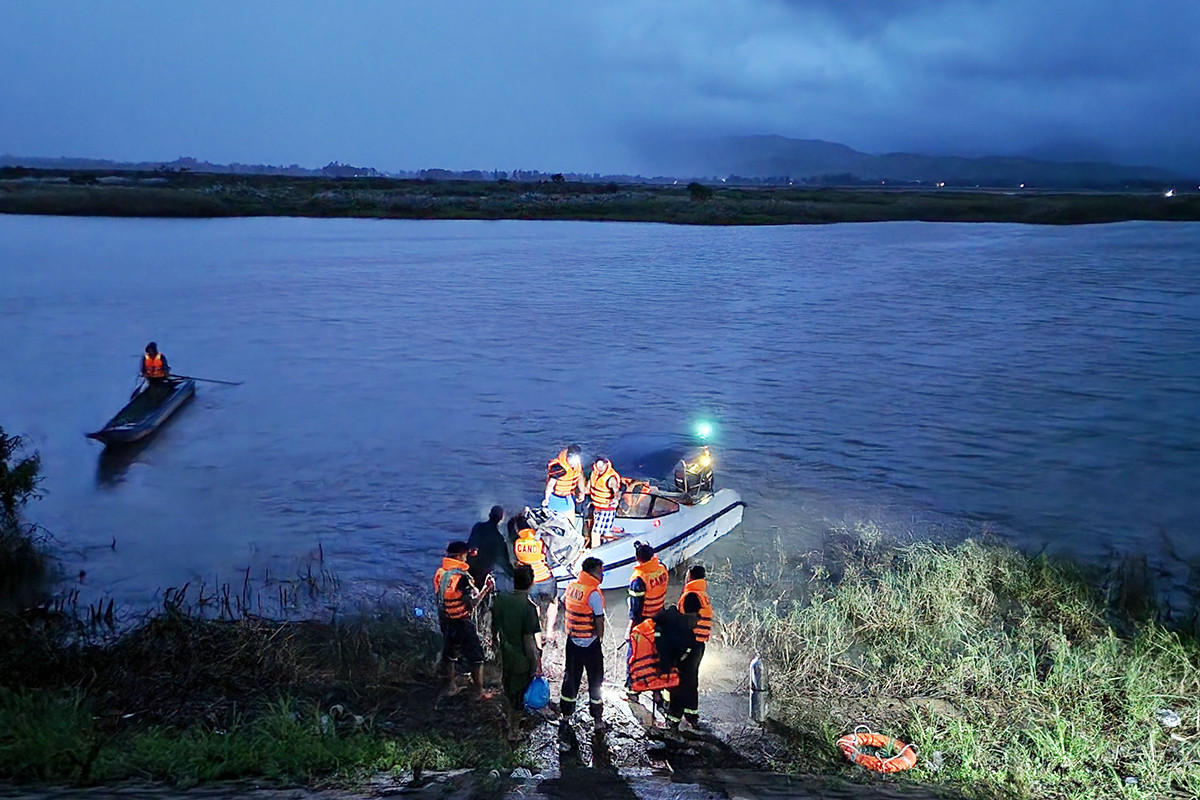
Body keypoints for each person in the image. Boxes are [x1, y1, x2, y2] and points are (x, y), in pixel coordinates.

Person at [434, 540, 494, 698]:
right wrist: (486, 589)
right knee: (477, 657)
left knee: (450, 655)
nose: (467, 559)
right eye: (465, 556)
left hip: (447, 620)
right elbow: (471, 604)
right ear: (460, 556)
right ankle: (479, 691)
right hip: (462, 621)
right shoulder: (462, 579)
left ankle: (450, 686)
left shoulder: (441, 573)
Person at [560, 556, 606, 745]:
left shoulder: (572, 587)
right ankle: (597, 720)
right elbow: (599, 619)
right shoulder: (593, 593)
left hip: (572, 641)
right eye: (600, 571)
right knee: (595, 680)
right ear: (593, 570)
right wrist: (600, 638)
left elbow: (564, 602)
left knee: (570, 678)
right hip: (590, 643)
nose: (602, 575)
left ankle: (566, 716)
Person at [492, 563, 543, 720]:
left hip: (505, 654)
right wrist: (536, 664)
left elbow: (494, 627)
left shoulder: (500, 600)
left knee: (508, 689)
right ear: (531, 583)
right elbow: (529, 642)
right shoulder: (529, 608)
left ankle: (509, 720)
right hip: (521, 661)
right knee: (519, 697)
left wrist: (495, 645)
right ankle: (513, 731)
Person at [668, 565, 712, 732]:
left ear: (690, 576)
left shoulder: (691, 596)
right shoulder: (702, 595)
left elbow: (689, 623)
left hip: (689, 644)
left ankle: (673, 719)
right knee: (691, 680)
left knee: (678, 681)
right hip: (699, 645)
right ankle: (691, 716)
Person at [511, 510, 558, 636]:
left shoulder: (517, 543)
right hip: (546, 578)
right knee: (553, 602)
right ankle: (549, 632)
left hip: (531, 581)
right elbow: (550, 559)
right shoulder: (540, 541)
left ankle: (536, 634)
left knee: (534, 607)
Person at [468, 505, 514, 589]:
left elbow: (471, 544)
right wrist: (514, 574)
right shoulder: (498, 538)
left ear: (489, 515)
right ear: (500, 518)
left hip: (469, 565)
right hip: (482, 571)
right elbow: (503, 561)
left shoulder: (477, 526)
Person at [544, 446, 585, 525]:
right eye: (572, 460)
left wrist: (582, 492)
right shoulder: (558, 468)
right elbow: (550, 485)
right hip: (555, 498)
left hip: (568, 497)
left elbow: (580, 477)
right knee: (553, 524)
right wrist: (546, 498)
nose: (574, 463)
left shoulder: (577, 465)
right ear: (568, 457)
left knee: (571, 524)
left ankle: (570, 535)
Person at [586, 456, 622, 548]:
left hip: (607, 508)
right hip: (597, 507)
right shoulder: (594, 474)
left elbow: (617, 491)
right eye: (598, 465)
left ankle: (595, 552)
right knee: (605, 531)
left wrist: (616, 499)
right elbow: (588, 488)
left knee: (595, 532)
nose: (600, 467)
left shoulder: (611, 479)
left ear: (606, 465)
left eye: (602, 465)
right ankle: (614, 545)